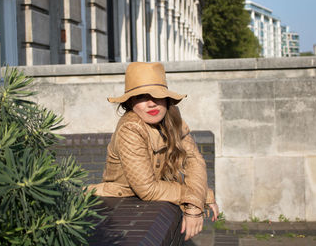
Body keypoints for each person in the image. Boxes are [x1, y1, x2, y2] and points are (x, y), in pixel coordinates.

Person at [87, 62, 219, 241]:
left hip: (153, 200)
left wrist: (198, 198)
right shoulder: (131, 128)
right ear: (130, 102)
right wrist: (196, 198)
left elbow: (194, 160)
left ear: (166, 98)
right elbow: (147, 189)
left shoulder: (172, 118)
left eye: (157, 95)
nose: (151, 103)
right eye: (141, 97)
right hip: (121, 203)